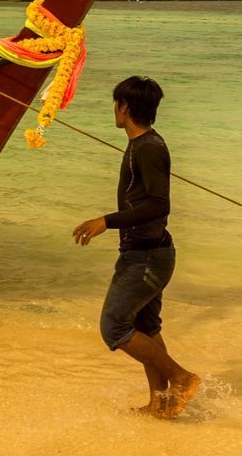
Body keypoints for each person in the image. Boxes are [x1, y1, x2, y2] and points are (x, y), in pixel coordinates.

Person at [72, 76, 201, 419]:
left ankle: (181, 378)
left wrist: (106, 221)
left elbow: (160, 205)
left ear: (124, 107)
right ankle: (160, 404)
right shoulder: (142, 145)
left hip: (146, 257)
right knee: (147, 329)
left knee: (113, 326)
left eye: (115, 104)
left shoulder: (148, 148)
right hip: (147, 252)